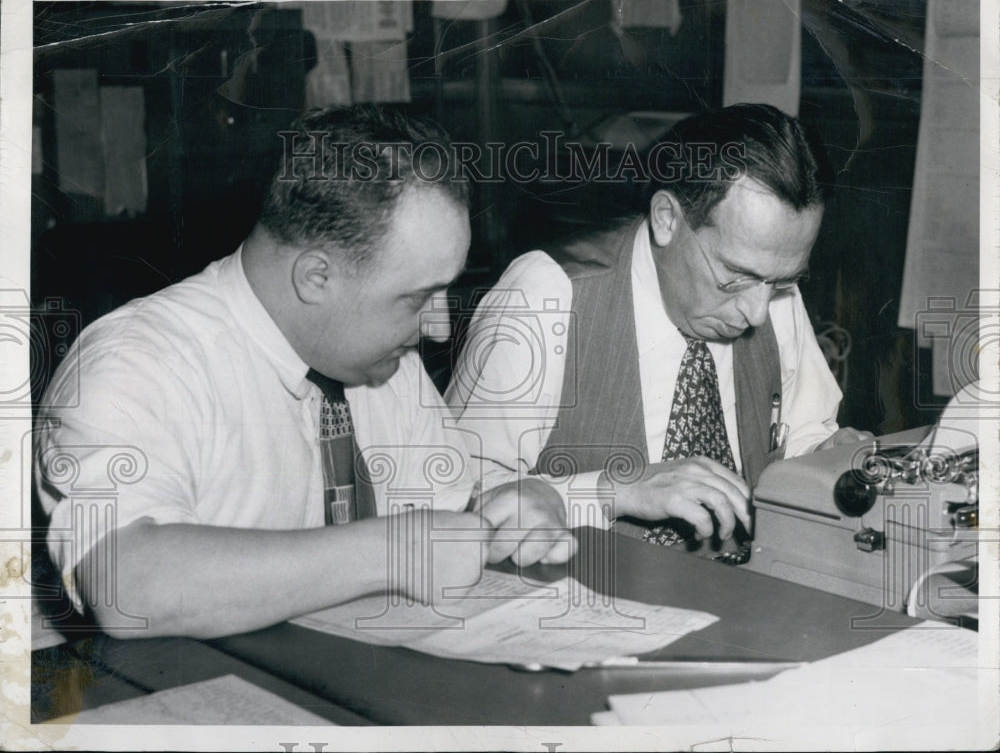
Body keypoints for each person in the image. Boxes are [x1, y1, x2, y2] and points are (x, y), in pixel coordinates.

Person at [34, 104, 573, 640]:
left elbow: (446, 511)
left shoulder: (387, 364)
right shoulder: (135, 363)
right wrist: (393, 550)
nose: (438, 328)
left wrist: (508, 510)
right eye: (419, 297)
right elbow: (128, 586)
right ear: (316, 276)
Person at [446, 103, 871, 550]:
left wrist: (828, 454)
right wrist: (616, 491)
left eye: (782, 281)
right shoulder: (546, 296)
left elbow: (803, 433)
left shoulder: (767, 286)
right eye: (734, 276)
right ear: (667, 219)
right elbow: (459, 494)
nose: (758, 313)